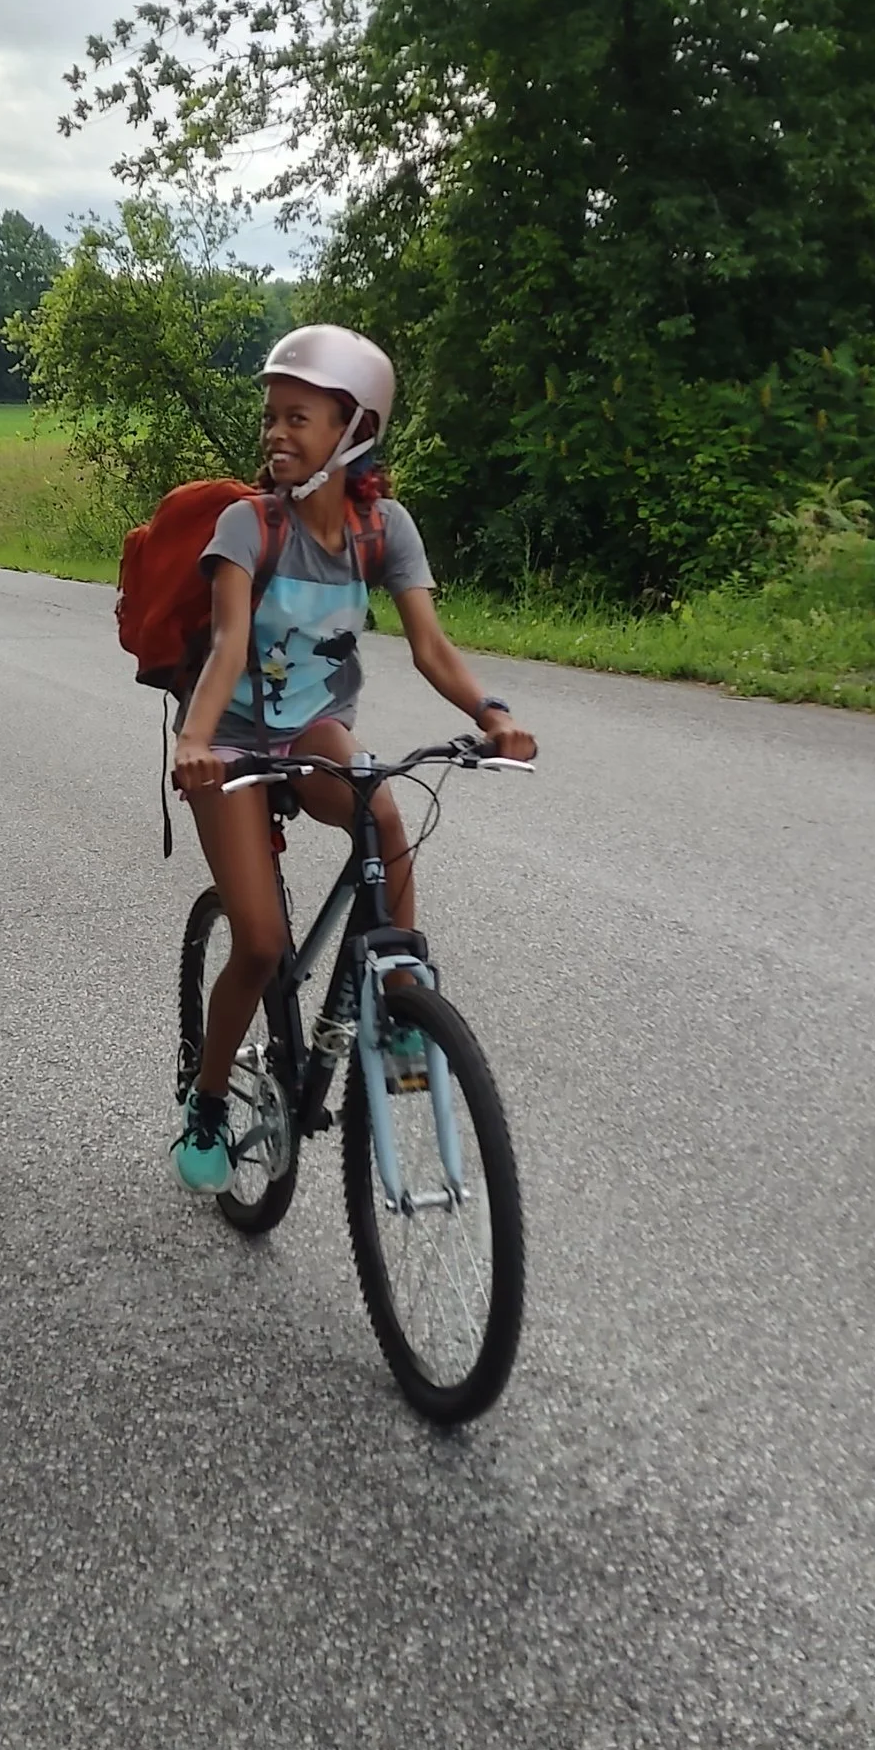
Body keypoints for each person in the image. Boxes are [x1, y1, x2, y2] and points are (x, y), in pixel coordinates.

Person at [168, 326, 536, 1192]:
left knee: (383, 806)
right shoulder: (247, 525)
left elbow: (431, 647)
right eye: (271, 418)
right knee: (258, 945)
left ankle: (399, 986)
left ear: (354, 427)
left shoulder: (384, 529)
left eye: (299, 418)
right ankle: (209, 1099)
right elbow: (227, 648)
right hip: (226, 740)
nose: (276, 434)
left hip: (308, 730)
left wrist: (491, 712)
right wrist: (193, 741)